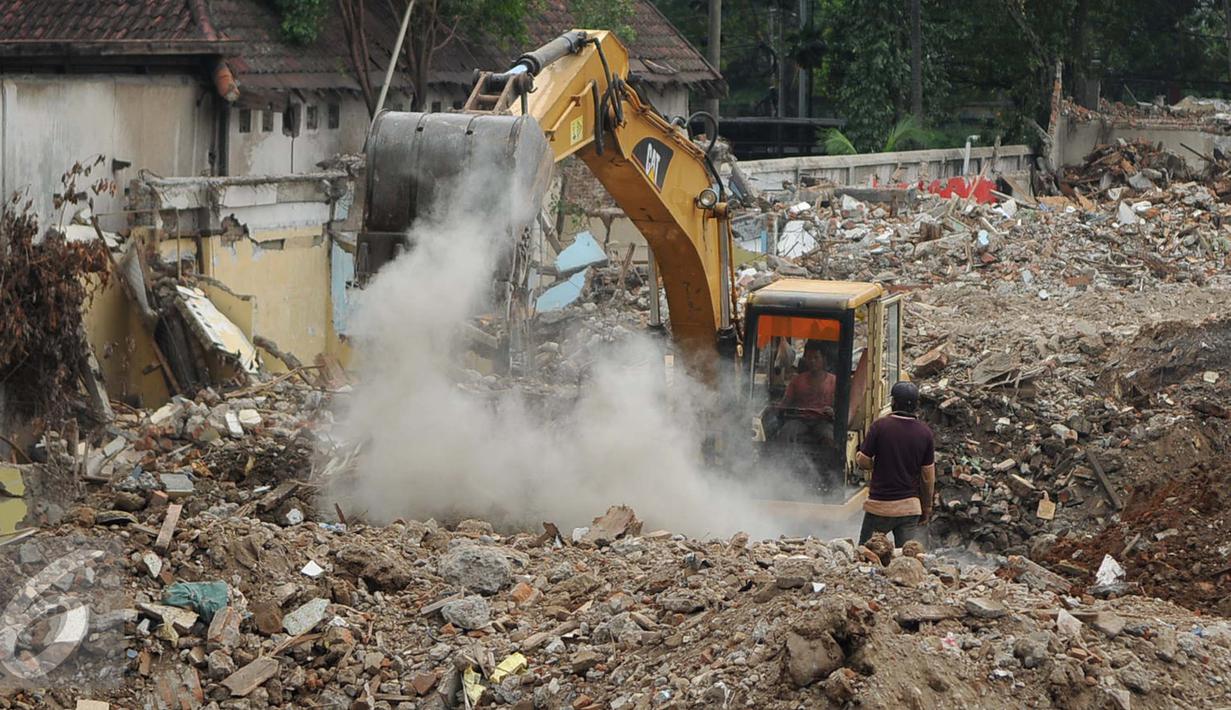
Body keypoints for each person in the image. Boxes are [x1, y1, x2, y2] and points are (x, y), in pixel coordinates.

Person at [855, 381, 935, 548]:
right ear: (916, 405)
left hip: (879, 508)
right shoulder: (925, 433)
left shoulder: (880, 426)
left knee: (866, 554)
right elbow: (927, 478)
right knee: (906, 556)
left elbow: (863, 461)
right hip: (909, 509)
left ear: (893, 402)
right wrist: (926, 507)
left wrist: (871, 464)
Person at [779, 340, 836, 419]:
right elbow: (785, 404)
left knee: (827, 431)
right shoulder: (796, 381)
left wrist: (833, 412)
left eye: (816, 357)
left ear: (824, 359)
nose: (812, 361)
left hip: (824, 420)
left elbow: (841, 408)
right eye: (809, 357)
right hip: (800, 420)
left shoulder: (834, 382)